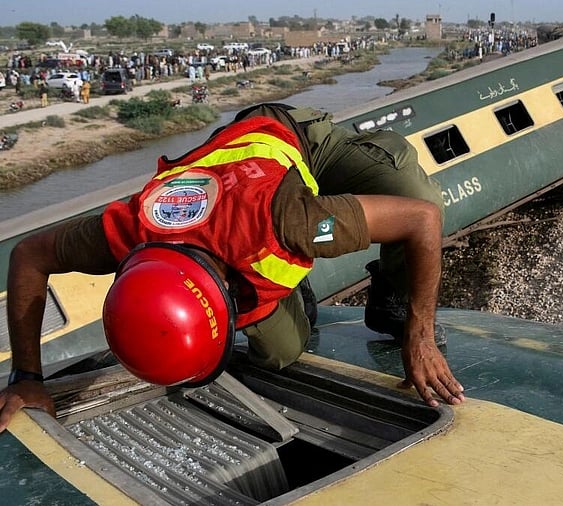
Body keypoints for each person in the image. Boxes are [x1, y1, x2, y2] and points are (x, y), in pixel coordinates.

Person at [0, 103, 465, 433]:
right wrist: (27, 379)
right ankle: (289, 294)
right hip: (226, 183)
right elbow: (29, 255)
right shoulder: (129, 229)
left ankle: (392, 305)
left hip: (291, 140)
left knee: (416, 194)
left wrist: (418, 334)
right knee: (282, 353)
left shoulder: (289, 224)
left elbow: (421, 221)